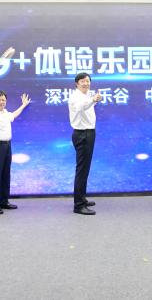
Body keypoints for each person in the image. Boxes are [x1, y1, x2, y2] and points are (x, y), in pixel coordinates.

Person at [0, 90, 31, 214]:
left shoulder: (5, 113)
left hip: (7, 146)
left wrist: (23, 105)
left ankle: (4, 201)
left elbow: (13, 115)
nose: (1, 102)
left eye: (3, 100)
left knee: (6, 174)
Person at [68, 72, 101, 215]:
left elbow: (87, 107)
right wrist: (93, 100)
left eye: (88, 81)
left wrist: (93, 99)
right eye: (82, 81)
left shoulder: (86, 95)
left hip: (89, 133)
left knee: (85, 169)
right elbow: (80, 107)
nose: (86, 83)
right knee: (82, 170)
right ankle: (78, 205)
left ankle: (82, 198)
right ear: (77, 83)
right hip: (82, 134)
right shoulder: (75, 97)